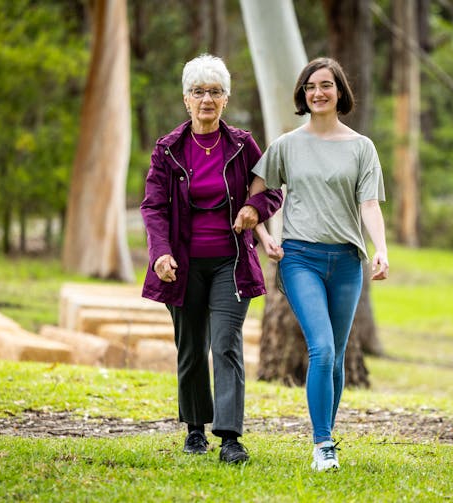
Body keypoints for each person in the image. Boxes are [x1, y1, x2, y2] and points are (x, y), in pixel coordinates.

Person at [234, 57, 389, 471]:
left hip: (346, 262)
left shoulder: (362, 147)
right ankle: (323, 445)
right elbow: (256, 195)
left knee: (336, 356)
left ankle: (327, 435)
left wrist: (382, 248)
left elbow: (369, 204)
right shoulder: (286, 145)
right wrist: (266, 236)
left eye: (326, 85)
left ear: (340, 92)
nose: (317, 92)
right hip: (299, 257)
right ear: (303, 95)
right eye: (310, 86)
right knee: (320, 347)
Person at [140, 54, 283, 464]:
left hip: (230, 263)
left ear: (226, 99)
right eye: (199, 92)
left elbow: (270, 186)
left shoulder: (241, 144)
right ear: (186, 99)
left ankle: (231, 437)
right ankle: (195, 429)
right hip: (182, 266)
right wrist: (160, 253)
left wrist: (256, 208)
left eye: (215, 92)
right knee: (191, 348)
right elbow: (152, 207)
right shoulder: (169, 149)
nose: (207, 99)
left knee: (226, 345)